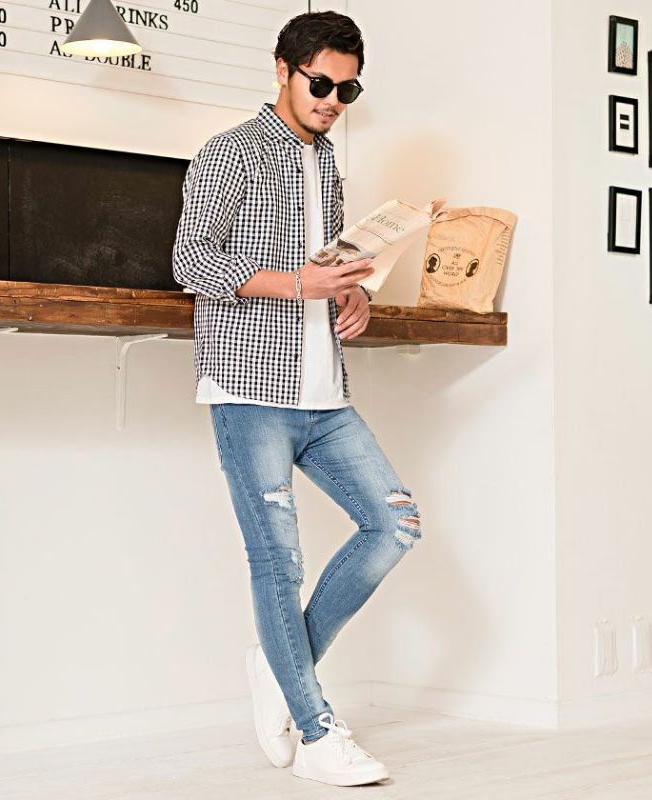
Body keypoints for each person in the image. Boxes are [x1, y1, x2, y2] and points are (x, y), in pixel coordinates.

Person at [172, 10, 422, 788]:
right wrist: (299, 284)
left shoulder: (328, 162)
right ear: (282, 70)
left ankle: (279, 666)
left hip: (324, 390)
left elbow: (325, 265)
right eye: (321, 84)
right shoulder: (231, 152)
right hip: (250, 388)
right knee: (278, 562)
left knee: (394, 524)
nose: (333, 101)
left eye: (348, 90)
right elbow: (190, 259)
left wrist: (352, 295)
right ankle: (316, 734)